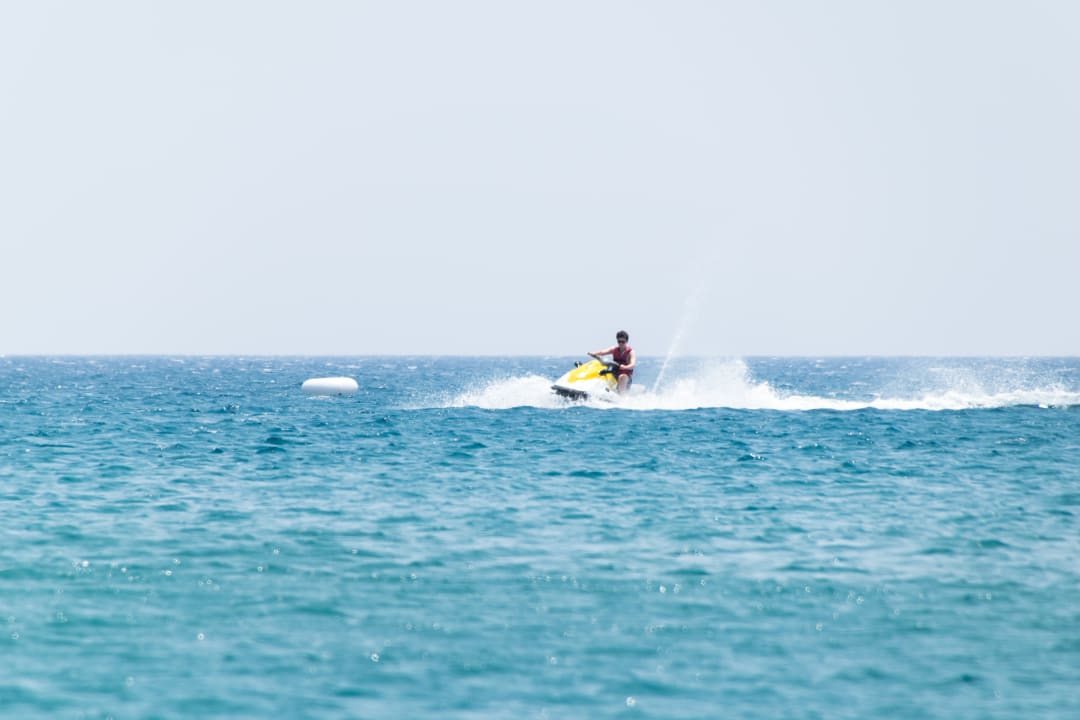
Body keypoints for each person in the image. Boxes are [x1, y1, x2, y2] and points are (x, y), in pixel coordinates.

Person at [590, 330, 636, 394]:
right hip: (615, 372)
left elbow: (633, 364)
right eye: (619, 341)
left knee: (622, 377)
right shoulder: (614, 349)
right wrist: (593, 353)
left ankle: (622, 397)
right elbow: (602, 352)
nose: (621, 343)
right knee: (602, 371)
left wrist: (625, 367)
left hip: (626, 376)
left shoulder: (631, 352)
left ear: (627, 341)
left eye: (623, 342)